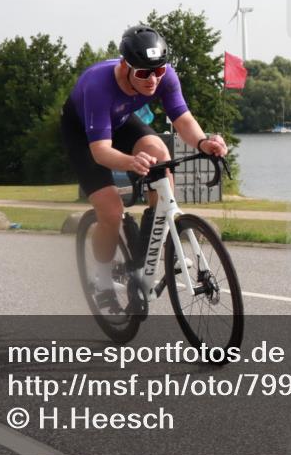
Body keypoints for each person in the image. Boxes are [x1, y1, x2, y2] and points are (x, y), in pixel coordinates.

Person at [60, 25, 227, 312]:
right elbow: (100, 151)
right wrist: (130, 162)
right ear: (125, 66)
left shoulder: (164, 76)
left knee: (160, 155)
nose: (152, 80)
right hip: (85, 136)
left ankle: (152, 248)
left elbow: (183, 119)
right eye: (143, 74)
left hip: (122, 122)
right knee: (111, 211)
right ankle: (102, 280)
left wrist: (203, 142)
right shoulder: (98, 84)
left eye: (158, 71)